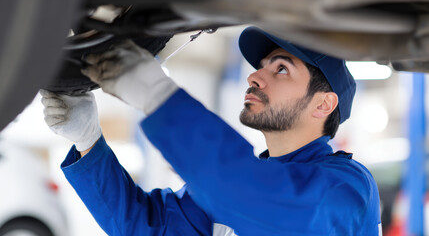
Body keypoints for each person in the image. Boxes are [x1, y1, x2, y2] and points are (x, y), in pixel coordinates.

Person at [41, 26, 381, 235]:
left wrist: (157, 95)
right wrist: (88, 141)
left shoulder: (347, 187)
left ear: (323, 105)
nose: (254, 77)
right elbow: (147, 227)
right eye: (261, 67)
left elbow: (264, 200)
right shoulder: (235, 189)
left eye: (281, 69)